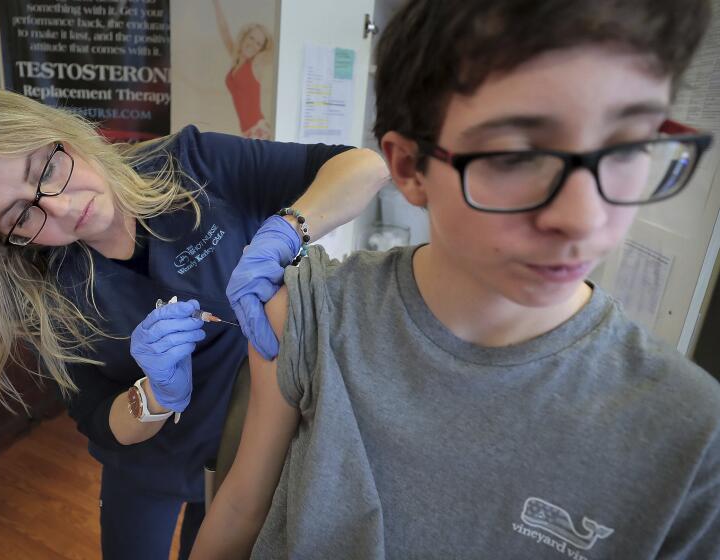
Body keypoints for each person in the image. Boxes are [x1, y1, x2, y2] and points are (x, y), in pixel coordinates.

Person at [191, 0, 720, 558]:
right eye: (517, 155)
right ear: (409, 169)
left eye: (629, 146)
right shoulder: (311, 316)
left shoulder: (689, 438)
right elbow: (241, 509)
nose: (584, 219)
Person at [0, 84, 388, 559]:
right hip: (146, 463)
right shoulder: (39, 290)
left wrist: (288, 229)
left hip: (246, 441)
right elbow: (96, 419)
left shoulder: (192, 164)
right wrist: (155, 397)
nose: (62, 207)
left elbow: (363, 167)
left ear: (58, 132)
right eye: (19, 217)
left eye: (46, 167)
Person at [212, 0, 274, 139]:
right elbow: (224, 30)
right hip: (246, 133)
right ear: (245, 36)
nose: (253, 44)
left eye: (258, 43)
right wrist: (216, 4)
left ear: (261, 49)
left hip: (259, 131)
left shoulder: (256, 65)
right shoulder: (236, 59)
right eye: (251, 38)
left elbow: (273, 50)